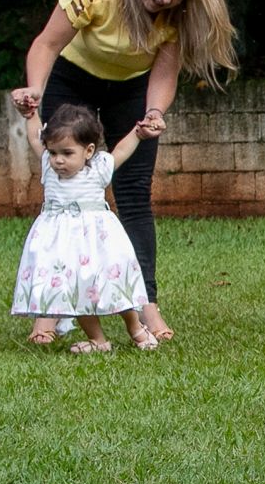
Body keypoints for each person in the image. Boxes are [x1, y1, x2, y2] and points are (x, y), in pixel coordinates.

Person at [9, 0, 238, 346]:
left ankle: (146, 302)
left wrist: (154, 114)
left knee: (133, 196)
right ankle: (49, 311)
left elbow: (165, 71)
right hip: (72, 78)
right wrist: (35, 91)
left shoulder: (175, 16)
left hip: (131, 89)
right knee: (62, 196)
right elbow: (47, 43)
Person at [12, 103, 162, 354]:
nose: (58, 160)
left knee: (115, 284)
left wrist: (137, 133)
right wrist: (31, 115)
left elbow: (122, 149)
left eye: (67, 153)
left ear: (89, 150)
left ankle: (136, 329)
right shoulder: (49, 167)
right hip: (63, 246)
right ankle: (98, 340)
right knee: (76, 292)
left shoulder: (99, 168)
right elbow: (34, 137)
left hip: (98, 242)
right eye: (53, 153)